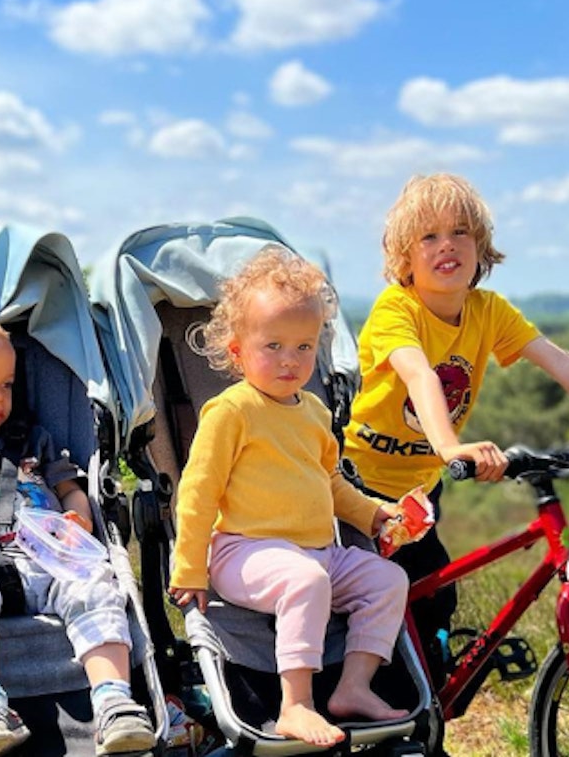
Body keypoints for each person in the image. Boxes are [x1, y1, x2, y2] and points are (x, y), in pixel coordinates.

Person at [341, 172, 569, 703]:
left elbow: (564, 363)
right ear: (404, 258)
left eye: (461, 232)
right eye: (428, 237)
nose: (447, 244)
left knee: (432, 601)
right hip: (362, 491)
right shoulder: (395, 311)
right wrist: (451, 448)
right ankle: (379, 711)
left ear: (481, 247)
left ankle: (421, 712)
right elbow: (421, 375)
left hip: (422, 491)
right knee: (380, 605)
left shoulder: (489, 311)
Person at [168, 247, 411, 748]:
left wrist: (375, 516)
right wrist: (190, 567)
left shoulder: (315, 413)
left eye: (304, 347)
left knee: (388, 579)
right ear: (237, 352)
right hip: (242, 551)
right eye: (273, 345)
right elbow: (198, 492)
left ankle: (352, 687)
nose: (290, 360)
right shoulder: (231, 411)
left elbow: (331, 483)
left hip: (317, 552)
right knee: (306, 580)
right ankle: (294, 705)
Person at [0, 300, 158, 757]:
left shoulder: (33, 438)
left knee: (97, 587)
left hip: (53, 559)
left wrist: (77, 517)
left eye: (5, 384)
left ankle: (114, 701)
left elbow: (69, 488)